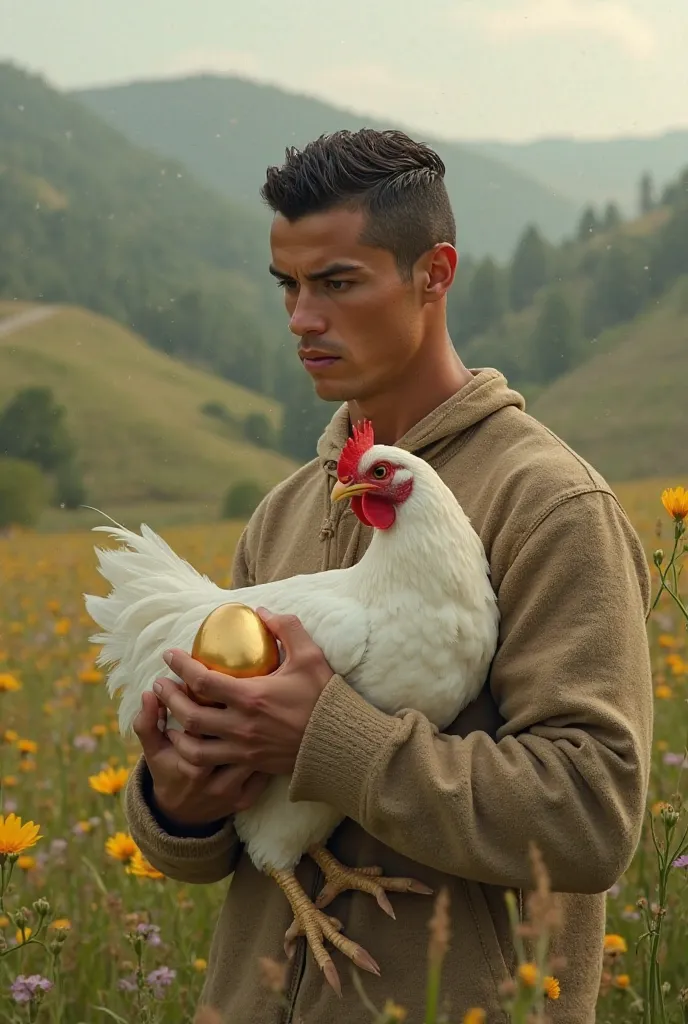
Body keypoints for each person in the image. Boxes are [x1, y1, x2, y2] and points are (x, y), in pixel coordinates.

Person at [124, 129, 653, 1023]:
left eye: (336, 283)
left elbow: (592, 818)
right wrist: (177, 800)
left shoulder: (550, 506)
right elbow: (212, 852)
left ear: (433, 274)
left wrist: (330, 738)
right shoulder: (285, 512)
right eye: (288, 286)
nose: (301, 318)